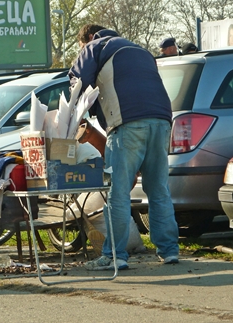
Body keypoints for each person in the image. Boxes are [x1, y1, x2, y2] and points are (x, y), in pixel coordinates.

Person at [68, 24, 179, 271]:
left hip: (128, 123)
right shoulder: (139, 49)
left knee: (118, 192)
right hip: (162, 120)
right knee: (158, 188)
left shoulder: (95, 46)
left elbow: (77, 82)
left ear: (86, 39)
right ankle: (169, 251)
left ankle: (114, 255)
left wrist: (70, 116)